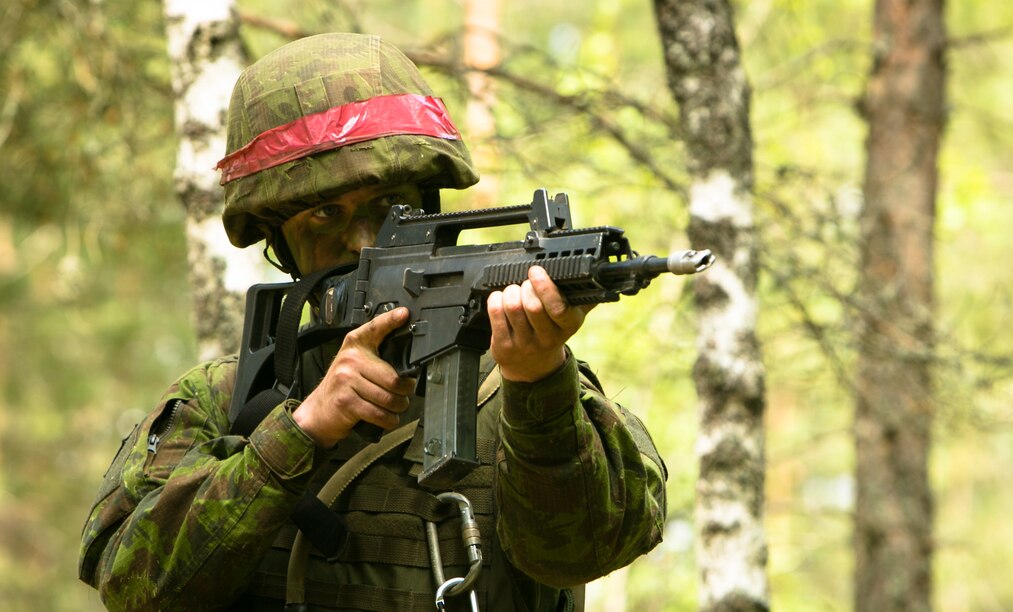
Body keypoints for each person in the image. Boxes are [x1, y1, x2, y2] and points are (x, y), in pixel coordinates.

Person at [78, 33, 666, 612]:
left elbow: (585, 552)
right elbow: (133, 588)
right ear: (282, 240)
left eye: (391, 208)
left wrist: (539, 382)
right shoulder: (219, 402)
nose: (362, 244)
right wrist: (299, 431)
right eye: (326, 213)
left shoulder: (531, 391)